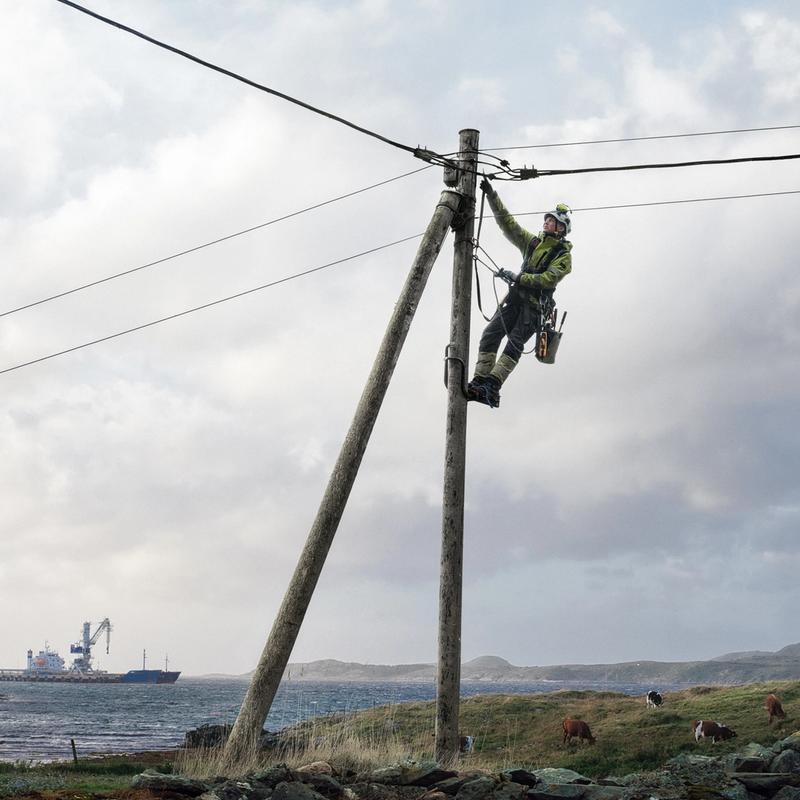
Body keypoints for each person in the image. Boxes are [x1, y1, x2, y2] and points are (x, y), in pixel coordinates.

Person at [468, 178, 573, 408]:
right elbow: (509, 225)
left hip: (534, 309)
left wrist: (517, 277)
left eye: (552, 221)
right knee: (490, 334)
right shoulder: (533, 244)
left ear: (561, 228)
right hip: (515, 302)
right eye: (546, 219)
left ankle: (492, 387)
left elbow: (548, 278)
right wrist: (492, 196)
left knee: (513, 344)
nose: (546, 222)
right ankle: (480, 381)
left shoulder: (563, 256)